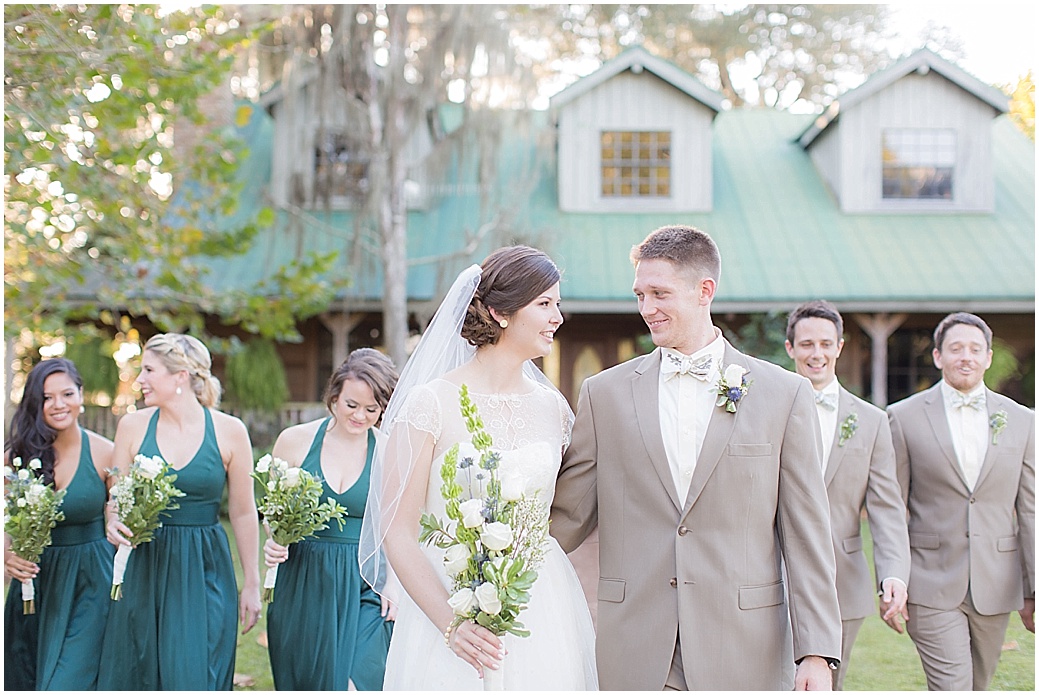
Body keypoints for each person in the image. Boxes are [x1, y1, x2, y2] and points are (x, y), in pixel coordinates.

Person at [552, 225, 842, 690]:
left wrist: (816, 652)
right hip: (637, 643)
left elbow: (806, 532)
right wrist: (489, 566)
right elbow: (566, 518)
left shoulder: (783, 395)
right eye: (640, 295)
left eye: (659, 293)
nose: (646, 308)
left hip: (745, 642)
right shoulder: (603, 395)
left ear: (704, 290)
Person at [360, 246, 598, 690]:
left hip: (538, 609)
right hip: (447, 609)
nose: (558, 317)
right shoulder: (430, 404)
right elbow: (396, 533)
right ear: (499, 312)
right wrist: (452, 626)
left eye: (557, 304)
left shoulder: (555, 411)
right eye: (544, 304)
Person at [97, 333, 261, 690]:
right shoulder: (132, 426)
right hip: (146, 565)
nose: (139, 380)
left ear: (180, 376)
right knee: (140, 669)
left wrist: (251, 581)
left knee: (197, 669)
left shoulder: (230, 432)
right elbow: (116, 497)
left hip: (206, 567)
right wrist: (113, 520)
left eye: (148, 370)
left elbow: (244, 513)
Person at [887, 312, 1035, 690]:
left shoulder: (1022, 421)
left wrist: (1034, 587)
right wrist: (894, 577)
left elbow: (1030, 509)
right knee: (952, 685)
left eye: (974, 349)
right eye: (955, 349)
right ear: (938, 356)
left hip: (997, 582)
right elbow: (891, 508)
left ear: (987, 357)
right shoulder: (902, 418)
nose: (965, 356)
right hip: (930, 580)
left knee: (978, 684)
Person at [784, 300, 911, 690]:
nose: (816, 354)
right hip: (774, 574)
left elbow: (887, 508)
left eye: (825, 343)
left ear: (840, 346)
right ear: (791, 348)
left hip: (843, 580)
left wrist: (893, 573)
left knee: (827, 686)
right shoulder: (766, 407)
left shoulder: (872, 421)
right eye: (806, 344)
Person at [263, 348, 399, 690]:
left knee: (358, 681)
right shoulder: (294, 441)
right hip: (302, 580)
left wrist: (393, 583)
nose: (360, 416)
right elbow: (272, 512)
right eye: (351, 405)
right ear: (334, 395)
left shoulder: (387, 451)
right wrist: (274, 540)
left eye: (372, 409)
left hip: (364, 582)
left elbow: (396, 526)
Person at [4, 357, 115, 690]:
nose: (58, 405)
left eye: (67, 394)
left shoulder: (105, 453)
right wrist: (8, 558)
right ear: (36, 403)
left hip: (91, 585)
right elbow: (7, 525)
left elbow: (118, 520)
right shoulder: (16, 457)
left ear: (81, 395)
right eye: (47, 397)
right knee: (27, 678)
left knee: (67, 681)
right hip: (36, 586)